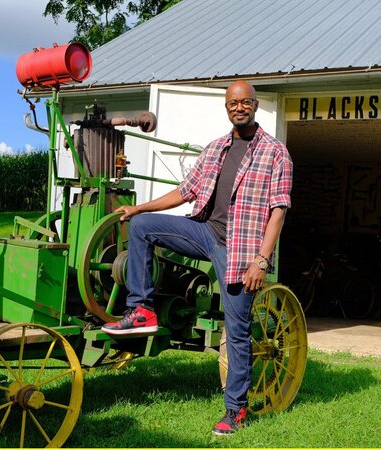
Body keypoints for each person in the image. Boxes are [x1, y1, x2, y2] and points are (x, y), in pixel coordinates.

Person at [102, 80, 293, 436]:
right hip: (204, 231)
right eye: (233, 103)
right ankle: (141, 309)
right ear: (227, 107)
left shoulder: (275, 152)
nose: (239, 107)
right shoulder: (217, 147)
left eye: (246, 102)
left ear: (254, 105)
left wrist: (262, 261)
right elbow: (184, 191)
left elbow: (278, 210)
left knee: (235, 332)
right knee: (143, 226)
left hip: (239, 250)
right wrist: (139, 206)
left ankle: (235, 410)